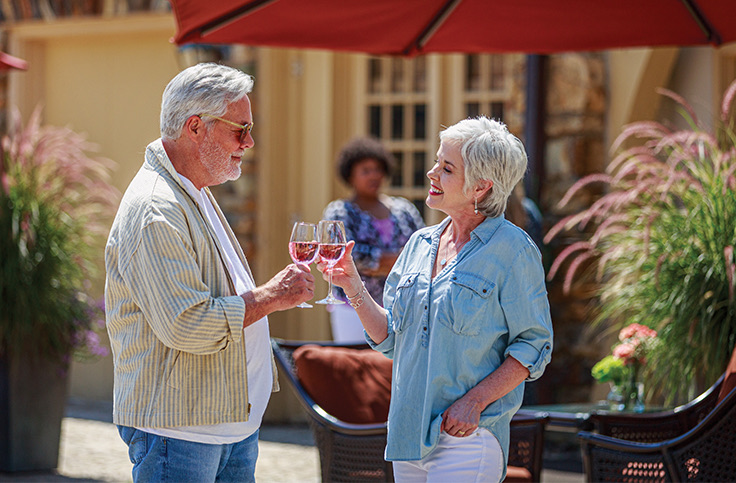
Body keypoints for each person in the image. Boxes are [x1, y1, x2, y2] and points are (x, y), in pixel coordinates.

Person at [104, 63, 314, 482]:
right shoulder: (156, 209)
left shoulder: (191, 190)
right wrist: (272, 296)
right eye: (240, 130)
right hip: (180, 433)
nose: (250, 142)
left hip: (223, 426)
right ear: (195, 127)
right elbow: (188, 325)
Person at [317, 116, 553, 482]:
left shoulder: (513, 250)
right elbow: (391, 337)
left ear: (480, 186)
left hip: (468, 435)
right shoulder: (419, 244)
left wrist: (474, 403)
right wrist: (353, 286)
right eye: (436, 163)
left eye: (446, 168)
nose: (431, 174)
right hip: (407, 434)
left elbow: (534, 345)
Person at [322, 137, 424, 342]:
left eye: (377, 169)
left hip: (401, 307)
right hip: (352, 308)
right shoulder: (340, 211)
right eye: (366, 170)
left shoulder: (404, 209)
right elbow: (349, 258)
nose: (374, 175)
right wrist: (399, 261)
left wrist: (379, 262)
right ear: (350, 175)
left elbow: (423, 252)